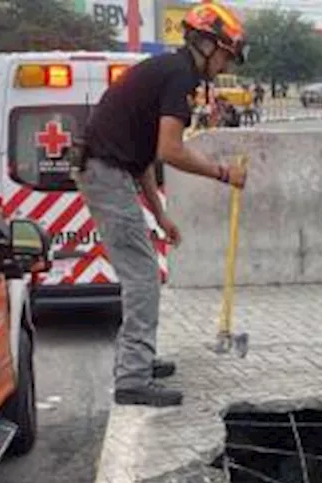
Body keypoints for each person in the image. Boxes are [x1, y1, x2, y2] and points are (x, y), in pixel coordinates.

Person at [78, 1, 249, 408]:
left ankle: (139, 362)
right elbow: (170, 150)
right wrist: (223, 174)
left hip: (109, 170)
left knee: (142, 274)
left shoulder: (169, 71)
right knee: (142, 277)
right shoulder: (178, 78)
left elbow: (141, 161)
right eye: (226, 54)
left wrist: (160, 215)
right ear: (206, 45)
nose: (226, 66)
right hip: (105, 174)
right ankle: (133, 377)